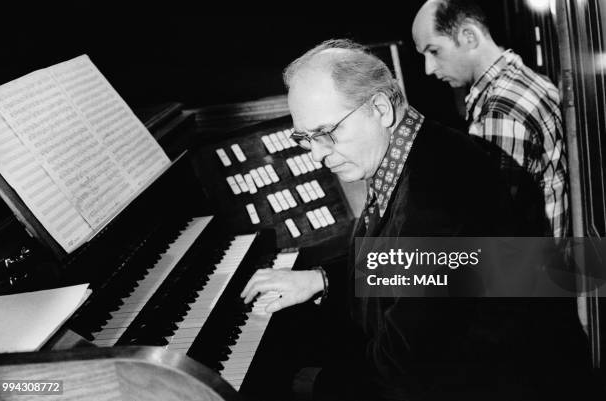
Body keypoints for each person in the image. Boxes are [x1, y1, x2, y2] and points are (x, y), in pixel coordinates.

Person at [241, 39, 593, 400]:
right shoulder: (421, 150)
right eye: (306, 138)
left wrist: (314, 386)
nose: (317, 154)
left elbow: (403, 367)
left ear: (380, 108)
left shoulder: (440, 193)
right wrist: (322, 278)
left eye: (328, 133)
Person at [412, 0, 569, 237]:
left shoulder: (499, 112)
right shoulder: (525, 78)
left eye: (434, 51)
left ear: (469, 37)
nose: (429, 68)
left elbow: (494, 225)